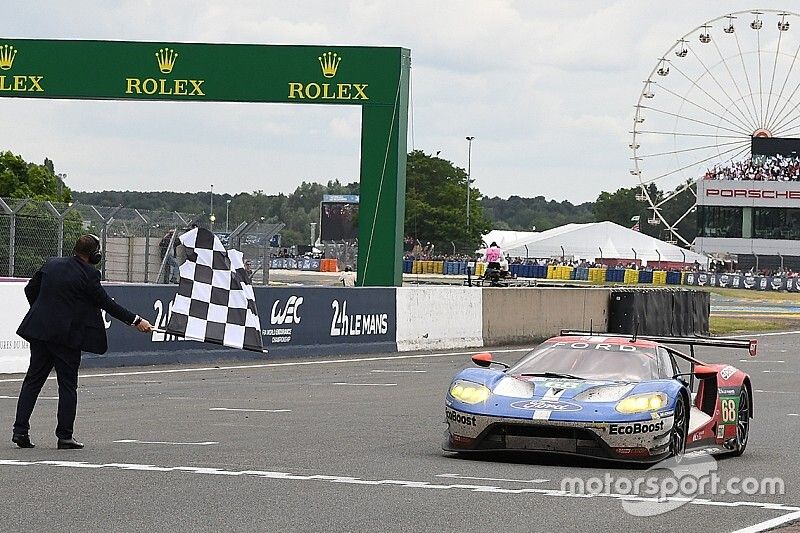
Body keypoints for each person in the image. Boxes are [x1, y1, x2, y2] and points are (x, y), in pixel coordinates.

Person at [13, 234, 153, 450]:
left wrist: (43, 311)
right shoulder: (89, 274)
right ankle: (64, 436)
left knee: (33, 380)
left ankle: (20, 431)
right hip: (66, 338)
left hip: (40, 331)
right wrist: (136, 321)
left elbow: (30, 290)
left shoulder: (52, 264)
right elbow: (107, 304)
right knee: (67, 386)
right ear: (94, 255)